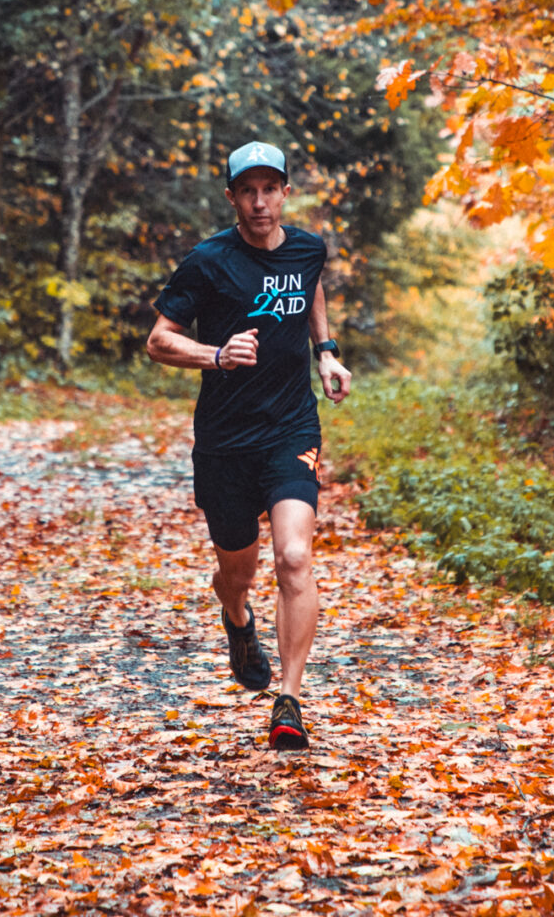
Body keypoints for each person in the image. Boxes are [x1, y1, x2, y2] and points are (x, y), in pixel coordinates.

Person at [146, 139, 351, 750]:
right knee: (237, 572)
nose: (260, 202)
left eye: (270, 189)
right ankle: (238, 620)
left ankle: (288, 700)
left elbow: (307, 285)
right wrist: (216, 354)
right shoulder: (208, 261)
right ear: (232, 196)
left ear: (285, 192)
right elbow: (158, 341)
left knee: (293, 558)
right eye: (248, 191)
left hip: (290, 429)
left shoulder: (309, 247)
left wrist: (327, 353)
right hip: (225, 440)